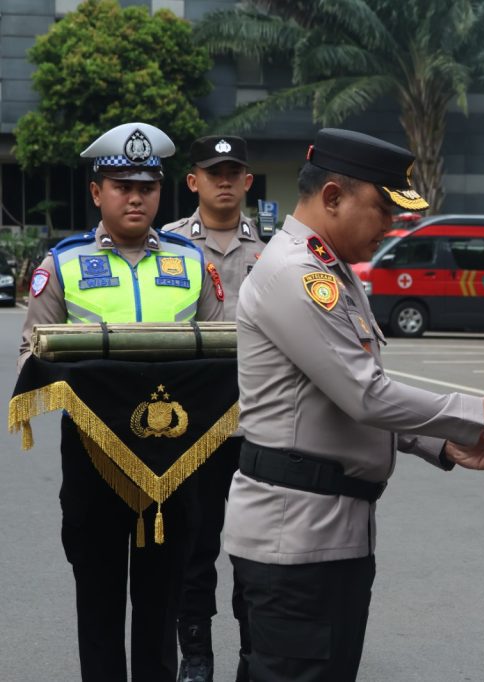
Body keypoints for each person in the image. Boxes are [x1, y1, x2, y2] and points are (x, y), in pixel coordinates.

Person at [223, 128, 484, 681]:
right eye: (381, 208)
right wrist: (482, 413)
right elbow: (365, 395)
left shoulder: (333, 270)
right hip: (294, 538)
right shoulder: (298, 274)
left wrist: (442, 442)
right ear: (332, 197)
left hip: (330, 532)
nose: (390, 225)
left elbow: (348, 393)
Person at [18, 122, 224, 681]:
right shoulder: (60, 265)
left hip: (175, 461)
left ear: (162, 192)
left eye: (147, 187)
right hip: (94, 455)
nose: (136, 198)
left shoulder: (190, 264)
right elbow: (30, 353)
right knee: (99, 592)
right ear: (95, 192)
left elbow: (223, 355)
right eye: (121, 186)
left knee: (164, 595)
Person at [162, 135, 263, 681]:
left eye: (234, 171)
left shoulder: (276, 250)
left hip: (258, 423)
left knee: (253, 547)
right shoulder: (168, 247)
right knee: (195, 543)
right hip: (192, 424)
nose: (224, 180)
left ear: (248, 181)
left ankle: (255, 651)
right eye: (212, 171)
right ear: (193, 181)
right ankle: (195, 653)